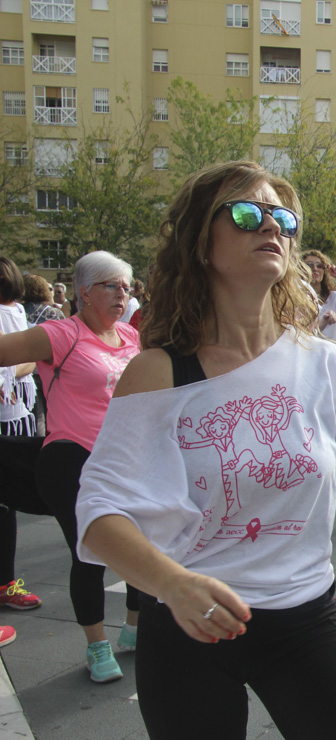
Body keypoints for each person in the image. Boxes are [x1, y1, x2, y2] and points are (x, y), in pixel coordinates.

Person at [75, 161, 336, 738]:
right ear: (200, 241)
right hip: (190, 626)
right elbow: (97, 514)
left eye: (281, 217)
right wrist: (170, 583)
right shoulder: (159, 373)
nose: (269, 226)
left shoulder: (325, 364)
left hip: (306, 617)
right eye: (246, 213)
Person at [0, 250, 142, 681]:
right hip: (73, 459)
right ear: (84, 292)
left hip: (126, 459)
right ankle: (98, 648)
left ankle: (134, 632)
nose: (123, 295)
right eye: (112, 286)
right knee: (91, 552)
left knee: (143, 545)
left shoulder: (132, 340)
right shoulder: (63, 334)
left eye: (127, 287)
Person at [0, 258, 44, 627]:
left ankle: (6, 582)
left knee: (6, 504)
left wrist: (7, 373)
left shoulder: (13, 313)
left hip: (12, 415)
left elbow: (28, 360)